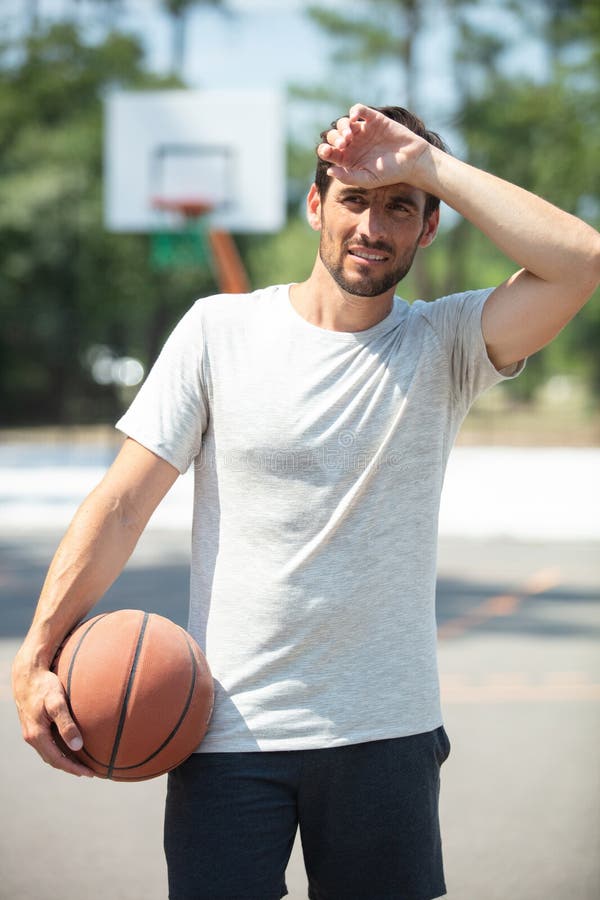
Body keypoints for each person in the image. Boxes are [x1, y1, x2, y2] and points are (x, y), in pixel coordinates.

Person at [12, 103, 600, 900]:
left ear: (428, 230)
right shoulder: (217, 331)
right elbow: (121, 504)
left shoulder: (444, 344)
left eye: (401, 206)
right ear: (318, 205)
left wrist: (428, 165)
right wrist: (36, 652)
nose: (374, 225)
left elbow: (580, 262)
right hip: (224, 735)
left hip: (385, 738)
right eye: (356, 198)